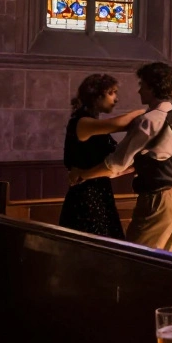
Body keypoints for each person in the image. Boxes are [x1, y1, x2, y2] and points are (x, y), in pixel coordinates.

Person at [70, 62, 172, 252]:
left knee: (135, 262)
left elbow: (115, 163)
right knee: (167, 264)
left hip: (157, 199)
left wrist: (83, 174)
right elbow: (156, 160)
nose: (139, 91)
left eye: (142, 85)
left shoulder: (149, 120)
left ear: (152, 87)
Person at [61, 74, 143, 238]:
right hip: (86, 198)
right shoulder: (81, 122)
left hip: (100, 194)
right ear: (96, 96)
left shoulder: (94, 126)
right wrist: (147, 112)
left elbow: (116, 163)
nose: (116, 98)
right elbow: (117, 124)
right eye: (111, 92)